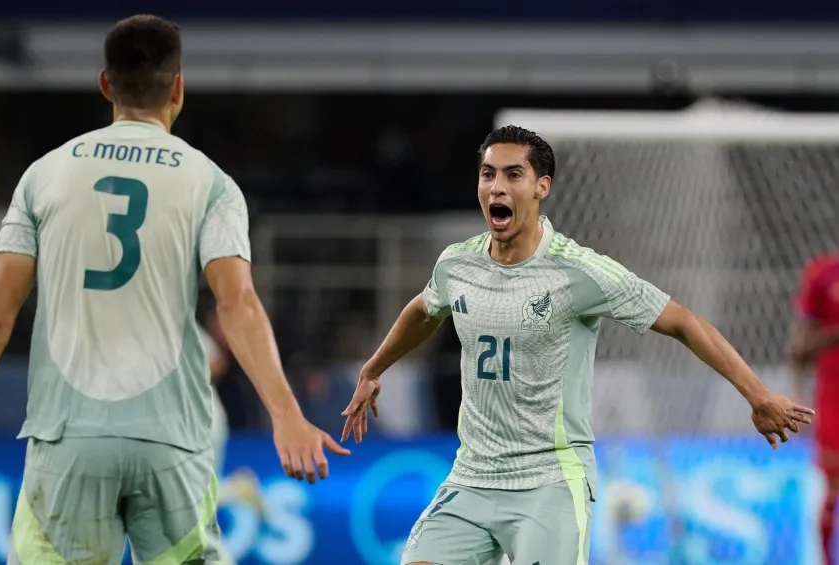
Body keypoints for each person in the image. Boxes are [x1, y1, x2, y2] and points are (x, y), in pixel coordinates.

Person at [0, 14, 348, 565]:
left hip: (70, 438)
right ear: (178, 88)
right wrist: (286, 414)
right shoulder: (211, 183)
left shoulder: (44, 175)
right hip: (171, 440)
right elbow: (236, 303)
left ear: (105, 85)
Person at [341, 125, 814, 565]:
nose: (497, 187)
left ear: (541, 187)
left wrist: (757, 395)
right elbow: (425, 311)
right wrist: (374, 369)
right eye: (488, 175)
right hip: (472, 477)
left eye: (513, 175)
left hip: (549, 482)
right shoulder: (456, 265)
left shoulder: (581, 272)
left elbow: (684, 323)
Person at [790, 253, 839, 565]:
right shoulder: (823, 273)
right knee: (833, 485)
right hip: (833, 397)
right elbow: (798, 350)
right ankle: (823, 559)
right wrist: (795, 398)